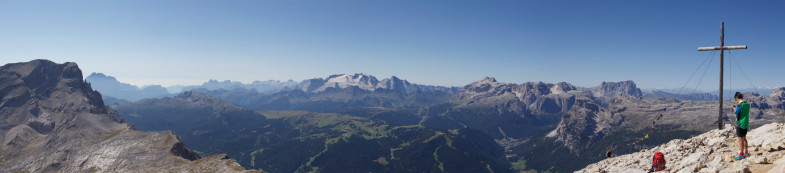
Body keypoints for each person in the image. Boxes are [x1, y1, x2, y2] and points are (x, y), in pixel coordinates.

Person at [732, 92, 750, 160]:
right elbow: (743, 112)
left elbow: (736, 115)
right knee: (744, 138)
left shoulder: (739, 105)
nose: (736, 100)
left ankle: (741, 154)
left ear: (737, 98)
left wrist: (735, 110)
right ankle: (746, 152)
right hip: (746, 123)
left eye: (735, 99)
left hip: (740, 124)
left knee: (740, 140)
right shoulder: (747, 104)